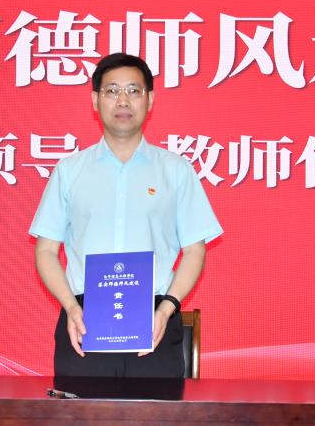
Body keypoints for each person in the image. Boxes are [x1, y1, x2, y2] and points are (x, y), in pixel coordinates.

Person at [29, 53, 223, 377]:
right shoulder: (69, 171)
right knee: (80, 411)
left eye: (133, 90)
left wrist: (167, 309)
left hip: (155, 323)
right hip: (84, 322)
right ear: (95, 100)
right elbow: (46, 250)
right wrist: (70, 306)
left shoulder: (175, 171)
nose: (123, 100)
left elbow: (194, 250)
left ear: (150, 100)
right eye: (112, 91)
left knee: (158, 412)